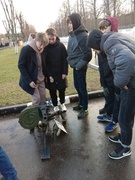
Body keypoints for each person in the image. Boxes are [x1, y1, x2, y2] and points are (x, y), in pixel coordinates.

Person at [87, 29, 135, 160]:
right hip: (131, 81)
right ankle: (123, 137)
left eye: (93, 48)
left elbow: (128, 59)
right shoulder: (112, 38)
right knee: (126, 114)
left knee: (124, 116)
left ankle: (125, 147)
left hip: (131, 84)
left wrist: (120, 82)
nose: (95, 51)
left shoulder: (109, 44)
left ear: (96, 44)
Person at [96, 17, 121, 133]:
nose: (103, 31)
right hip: (108, 79)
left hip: (116, 79)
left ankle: (115, 121)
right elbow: (102, 66)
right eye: (101, 29)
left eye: (105, 28)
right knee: (109, 98)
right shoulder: (102, 43)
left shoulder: (115, 42)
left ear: (112, 27)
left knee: (117, 100)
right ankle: (109, 114)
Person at [66, 13, 92, 119]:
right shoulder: (72, 34)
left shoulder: (82, 36)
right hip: (75, 66)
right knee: (77, 86)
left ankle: (85, 109)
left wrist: (78, 66)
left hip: (80, 67)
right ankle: (81, 104)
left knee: (82, 88)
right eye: (68, 23)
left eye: (71, 22)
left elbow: (88, 54)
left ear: (76, 22)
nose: (69, 25)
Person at [18, 32, 49, 105]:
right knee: (37, 99)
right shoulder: (26, 49)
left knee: (43, 98)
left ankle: (43, 114)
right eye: (40, 44)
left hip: (41, 79)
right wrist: (29, 81)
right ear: (35, 40)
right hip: (32, 80)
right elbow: (21, 66)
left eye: (43, 45)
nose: (42, 47)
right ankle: (34, 115)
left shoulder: (41, 50)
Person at [42, 28, 68, 112]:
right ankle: (55, 105)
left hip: (60, 73)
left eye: (53, 39)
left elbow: (65, 60)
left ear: (55, 36)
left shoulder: (61, 46)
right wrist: (48, 75)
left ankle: (62, 103)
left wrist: (64, 72)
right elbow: (44, 64)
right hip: (51, 74)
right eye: (49, 39)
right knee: (52, 91)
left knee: (62, 90)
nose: (51, 41)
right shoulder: (45, 49)